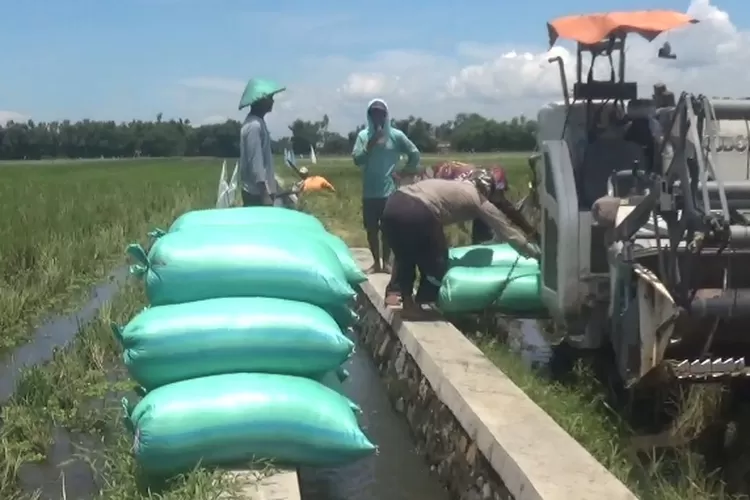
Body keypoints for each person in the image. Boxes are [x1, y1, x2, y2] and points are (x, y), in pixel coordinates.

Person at [380, 169, 540, 311]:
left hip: (393, 205)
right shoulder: (477, 199)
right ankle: (424, 303)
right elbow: (507, 230)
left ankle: (401, 299)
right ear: (487, 189)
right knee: (437, 260)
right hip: (419, 211)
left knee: (405, 256)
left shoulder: (451, 185)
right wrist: (532, 251)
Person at [352, 98, 421, 274]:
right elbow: (356, 159)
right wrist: (370, 145)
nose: (377, 116)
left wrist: (405, 172)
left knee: (389, 229)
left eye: (381, 113)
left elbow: (414, 153)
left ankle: (387, 264)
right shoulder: (363, 136)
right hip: (370, 191)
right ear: (369, 115)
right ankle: (376, 262)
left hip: (390, 191)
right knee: (372, 229)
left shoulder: (396, 136)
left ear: (386, 115)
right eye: (374, 113)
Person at [238, 78, 285, 207]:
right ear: (261, 99)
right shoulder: (254, 126)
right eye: (270, 97)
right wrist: (265, 195)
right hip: (256, 194)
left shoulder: (258, 123)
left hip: (261, 191)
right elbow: (256, 164)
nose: (272, 101)